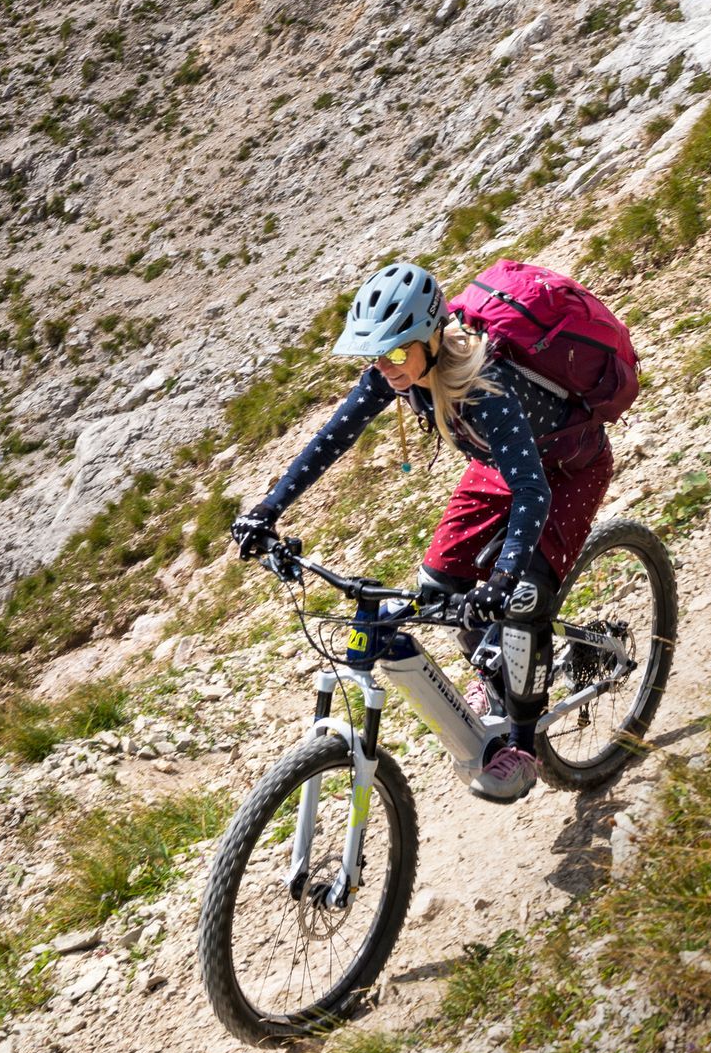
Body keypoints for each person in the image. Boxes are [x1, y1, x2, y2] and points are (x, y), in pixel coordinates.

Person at [230, 260, 615, 803]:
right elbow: (332, 439)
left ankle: (524, 745)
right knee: (440, 585)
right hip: (502, 464)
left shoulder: (486, 387)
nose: (383, 366)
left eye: (393, 351)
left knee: (523, 597)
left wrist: (504, 578)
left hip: (565, 468)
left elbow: (535, 492)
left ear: (430, 339)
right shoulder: (401, 373)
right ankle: (498, 675)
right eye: (373, 354)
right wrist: (267, 509)